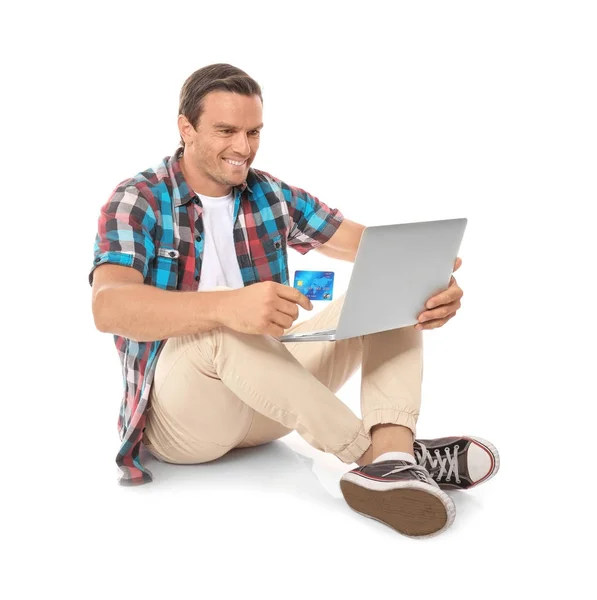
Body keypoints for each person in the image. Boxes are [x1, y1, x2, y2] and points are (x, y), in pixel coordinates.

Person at [89, 63, 499, 538]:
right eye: (226, 131)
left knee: (391, 279)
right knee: (221, 322)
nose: (243, 148)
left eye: (253, 132)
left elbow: (374, 246)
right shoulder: (137, 198)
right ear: (186, 128)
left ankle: (394, 451)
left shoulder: (270, 195)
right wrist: (228, 307)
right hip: (186, 420)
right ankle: (374, 460)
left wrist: (430, 282)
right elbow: (109, 306)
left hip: (269, 400)